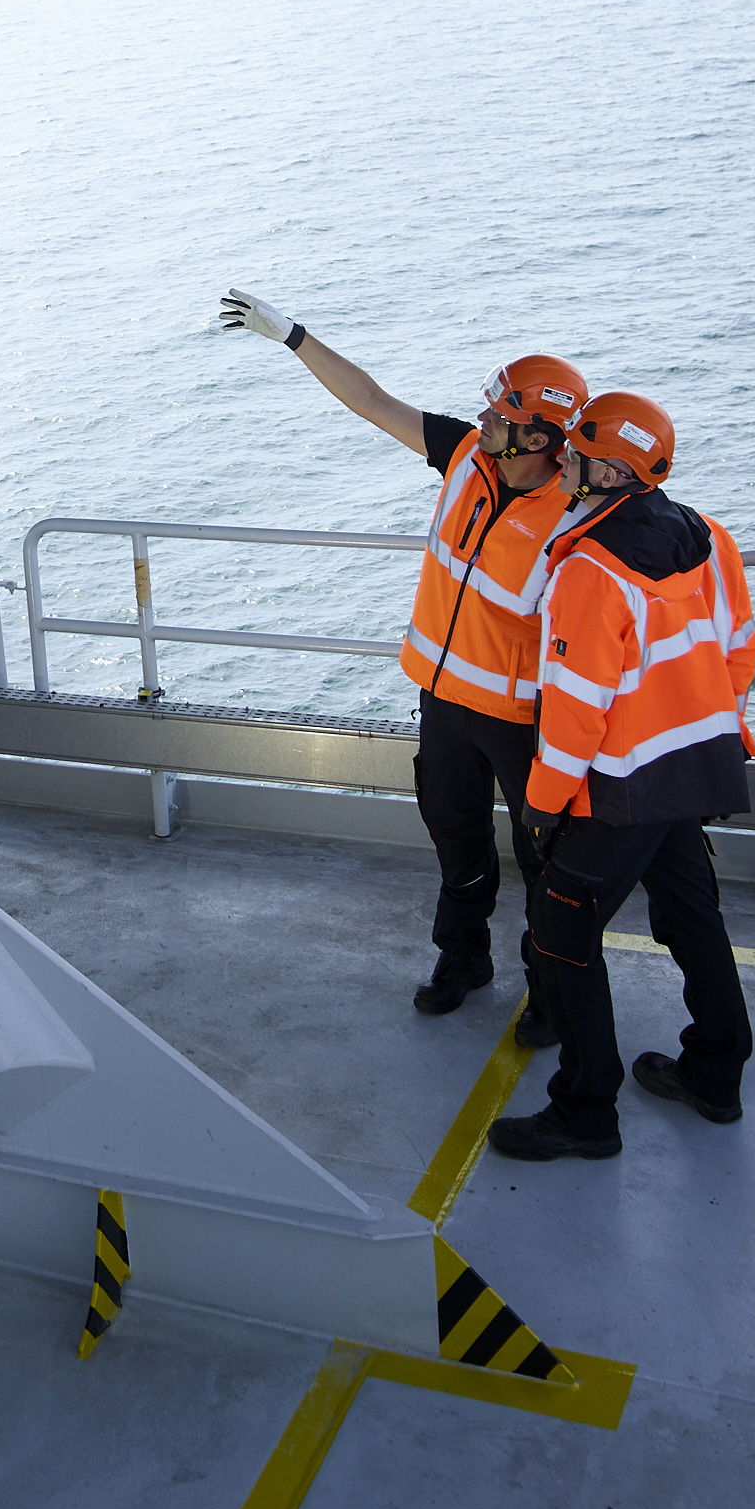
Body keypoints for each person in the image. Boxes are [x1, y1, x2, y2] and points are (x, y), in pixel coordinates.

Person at [218, 291, 589, 1028]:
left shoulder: (577, 517)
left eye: (498, 417)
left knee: (545, 858)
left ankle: (551, 989)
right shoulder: (461, 456)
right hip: (445, 703)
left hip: (524, 720)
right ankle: (463, 956)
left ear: (540, 437)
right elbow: (369, 399)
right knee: (455, 836)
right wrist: (292, 336)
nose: (481, 421)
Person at [488, 390, 755, 1164]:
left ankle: (584, 1109)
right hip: (694, 764)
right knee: (690, 914)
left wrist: (540, 807)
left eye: (572, 451)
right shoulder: (709, 536)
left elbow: (574, 712)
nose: (560, 458)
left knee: (559, 931)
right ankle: (716, 1071)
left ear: (607, 470)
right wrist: (704, 726)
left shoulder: (590, 573)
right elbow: (738, 648)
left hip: (619, 786)